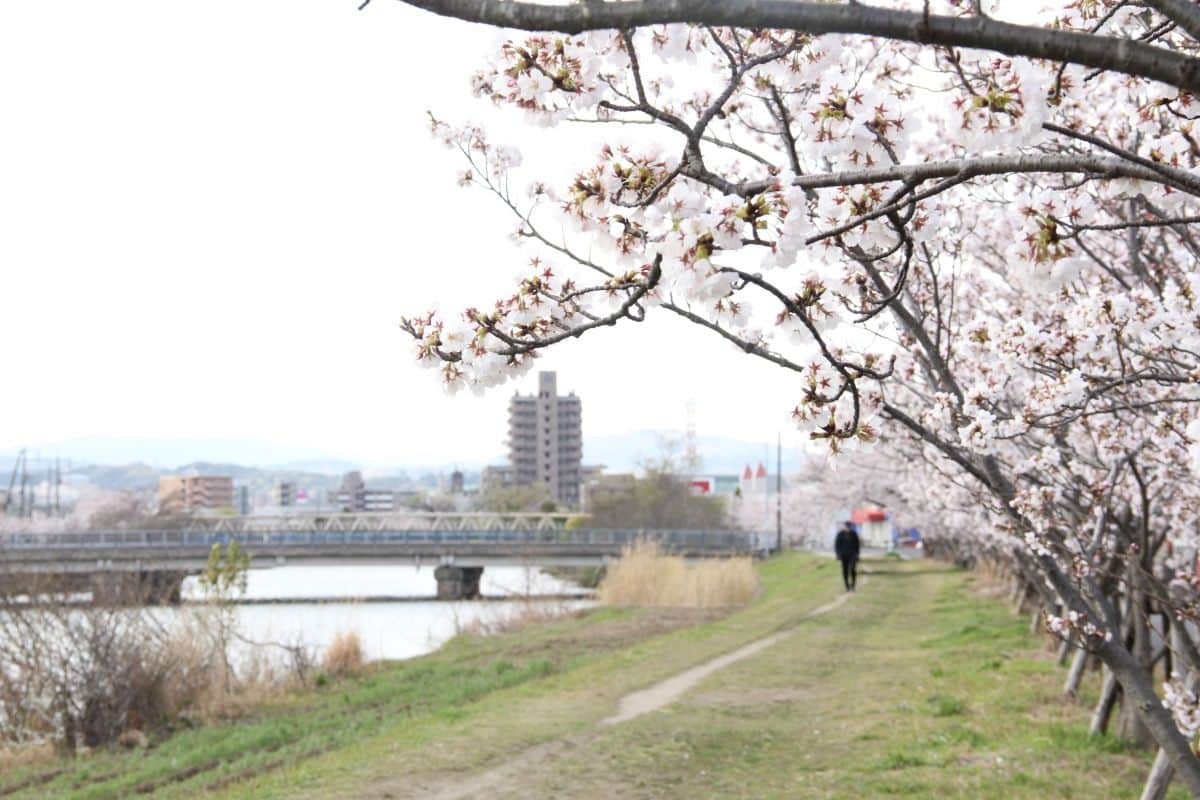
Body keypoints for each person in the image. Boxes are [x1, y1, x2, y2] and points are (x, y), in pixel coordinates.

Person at [834, 521, 861, 592]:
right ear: (844, 527)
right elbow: (837, 545)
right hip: (843, 555)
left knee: (852, 569)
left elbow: (857, 545)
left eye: (849, 527)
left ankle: (853, 585)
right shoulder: (840, 534)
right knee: (845, 570)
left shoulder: (854, 534)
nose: (848, 528)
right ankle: (846, 585)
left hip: (852, 555)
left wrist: (857, 554)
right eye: (846, 527)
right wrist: (838, 554)